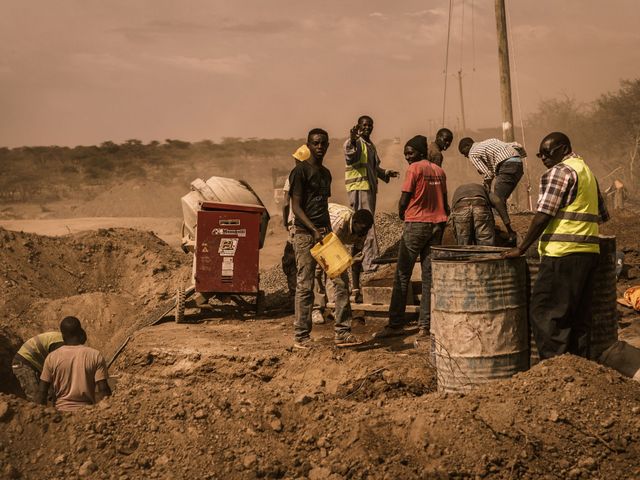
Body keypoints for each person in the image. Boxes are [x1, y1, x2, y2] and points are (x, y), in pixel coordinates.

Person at [503, 132, 609, 359]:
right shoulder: (586, 172)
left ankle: (556, 372)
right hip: (588, 254)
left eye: (547, 152)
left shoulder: (560, 172)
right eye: (539, 154)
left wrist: (521, 248)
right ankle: (580, 371)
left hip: (563, 255)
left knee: (545, 313)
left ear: (563, 148)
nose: (543, 158)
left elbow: (543, 215)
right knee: (577, 317)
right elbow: (602, 215)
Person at [290, 128, 359, 348]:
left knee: (340, 280)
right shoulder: (300, 171)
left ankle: (343, 332)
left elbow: (322, 206)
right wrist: (312, 230)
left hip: (323, 233)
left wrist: (328, 233)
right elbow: (296, 206)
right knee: (305, 285)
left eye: (323, 143)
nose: (319, 147)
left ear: (328, 145)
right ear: (308, 145)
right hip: (304, 235)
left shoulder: (326, 174)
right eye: (315, 143)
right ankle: (302, 336)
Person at [375, 135, 449, 338]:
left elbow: (404, 198)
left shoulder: (415, 169)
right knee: (428, 277)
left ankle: (395, 324)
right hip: (437, 226)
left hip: (416, 224)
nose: (408, 157)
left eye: (411, 152)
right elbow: (446, 203)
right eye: (406, 153)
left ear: (421, 153)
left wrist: (402, 213)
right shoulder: (440, 171)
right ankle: (425, 325)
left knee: (402, 274)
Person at [344, 115, 399, 271]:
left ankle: (360, 260)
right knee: (366, 224)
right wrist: (352, 139)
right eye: (364, 125)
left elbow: (373, 168)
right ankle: (372, 262)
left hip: (368, 187)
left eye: (370, 125)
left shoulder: (371, 145)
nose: (367, 127)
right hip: (359, 187)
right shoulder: (356, 143)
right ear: (359, 126)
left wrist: (386, 173)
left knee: (362, 226)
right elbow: (350, 155)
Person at [312, 204, 374, 324]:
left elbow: (356, 259)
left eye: (367, 230)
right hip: (320, 231)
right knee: (318, 270)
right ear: (354, 223)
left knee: (337, 271)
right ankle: (316, 308)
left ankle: (335, 307)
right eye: (363, 229)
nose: (364, 233)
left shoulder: (363, 230)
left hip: (334, 237)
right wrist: (347, 261)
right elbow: (328, 251)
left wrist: (356, 290)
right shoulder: (340, 223)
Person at [37, 316, 111, 411]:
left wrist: (42, 414)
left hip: (61, 414)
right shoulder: (95, 355)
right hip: (87, 412)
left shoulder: (52, 357)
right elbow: (103, 390)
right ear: (81, 333)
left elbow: (42, 392)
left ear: (62, 336)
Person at [281, 144, 311, 298]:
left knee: (290, 262)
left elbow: (286, 202)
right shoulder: (317, 174)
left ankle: (295, 297)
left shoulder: (294, 175)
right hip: (313, 225)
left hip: (297, 226)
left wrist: (285, 220)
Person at [458, 137, 526, 203]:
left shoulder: (472, 153)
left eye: (463, 152)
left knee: (497, 199)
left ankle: (497, 214)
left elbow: (488, 175)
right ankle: (501, 213)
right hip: (518, 163)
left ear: (468, 145)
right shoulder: (490, 141)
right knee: (502, 195)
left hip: (507, 165)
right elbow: (517, 145)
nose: (465, 156)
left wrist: (486, 187)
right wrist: (521, 156)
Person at [450, 183, 516, 246]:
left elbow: (453, 217)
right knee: (485, 245)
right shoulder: (484, 189)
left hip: (461, 209)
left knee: (463, 246)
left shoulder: (458, 190)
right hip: (480, 206)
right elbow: (498, 202)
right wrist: (509, 230)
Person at [12, 331, 64, 402]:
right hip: (24, 362)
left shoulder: (60, 339)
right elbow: (54, 371)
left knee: (45, 395)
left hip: (34, 364)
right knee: (35, 397)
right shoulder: (60, 344)